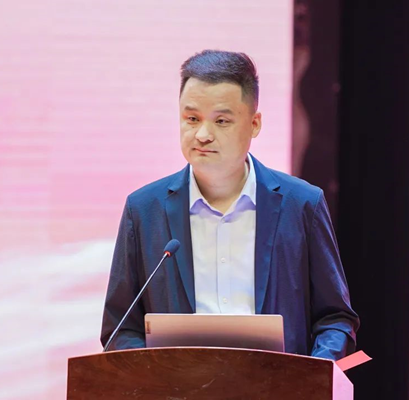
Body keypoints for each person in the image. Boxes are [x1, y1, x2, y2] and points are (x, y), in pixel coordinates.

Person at [100, 50, 359, 360]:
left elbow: (334, 319)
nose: (202, 135)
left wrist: (314, 373)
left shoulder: (302, 204)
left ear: (254, 124)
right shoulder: (144, 210)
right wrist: (155, 374)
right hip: (178, 385)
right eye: (192, 119)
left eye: (221, 121)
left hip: (278, 384)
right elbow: (120, 329)